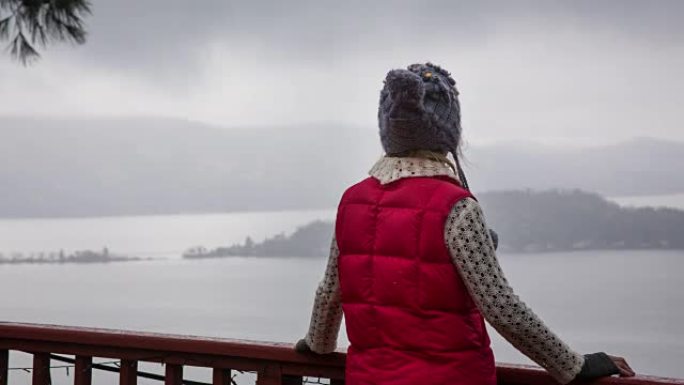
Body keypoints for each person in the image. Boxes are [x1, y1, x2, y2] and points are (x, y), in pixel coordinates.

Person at [295, 62, 635, 385]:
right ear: (448, 131)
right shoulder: (456, 208)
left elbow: (330, 292)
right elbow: (500, 306)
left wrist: (317, 344)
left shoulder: (352, 201)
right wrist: (574, 366)